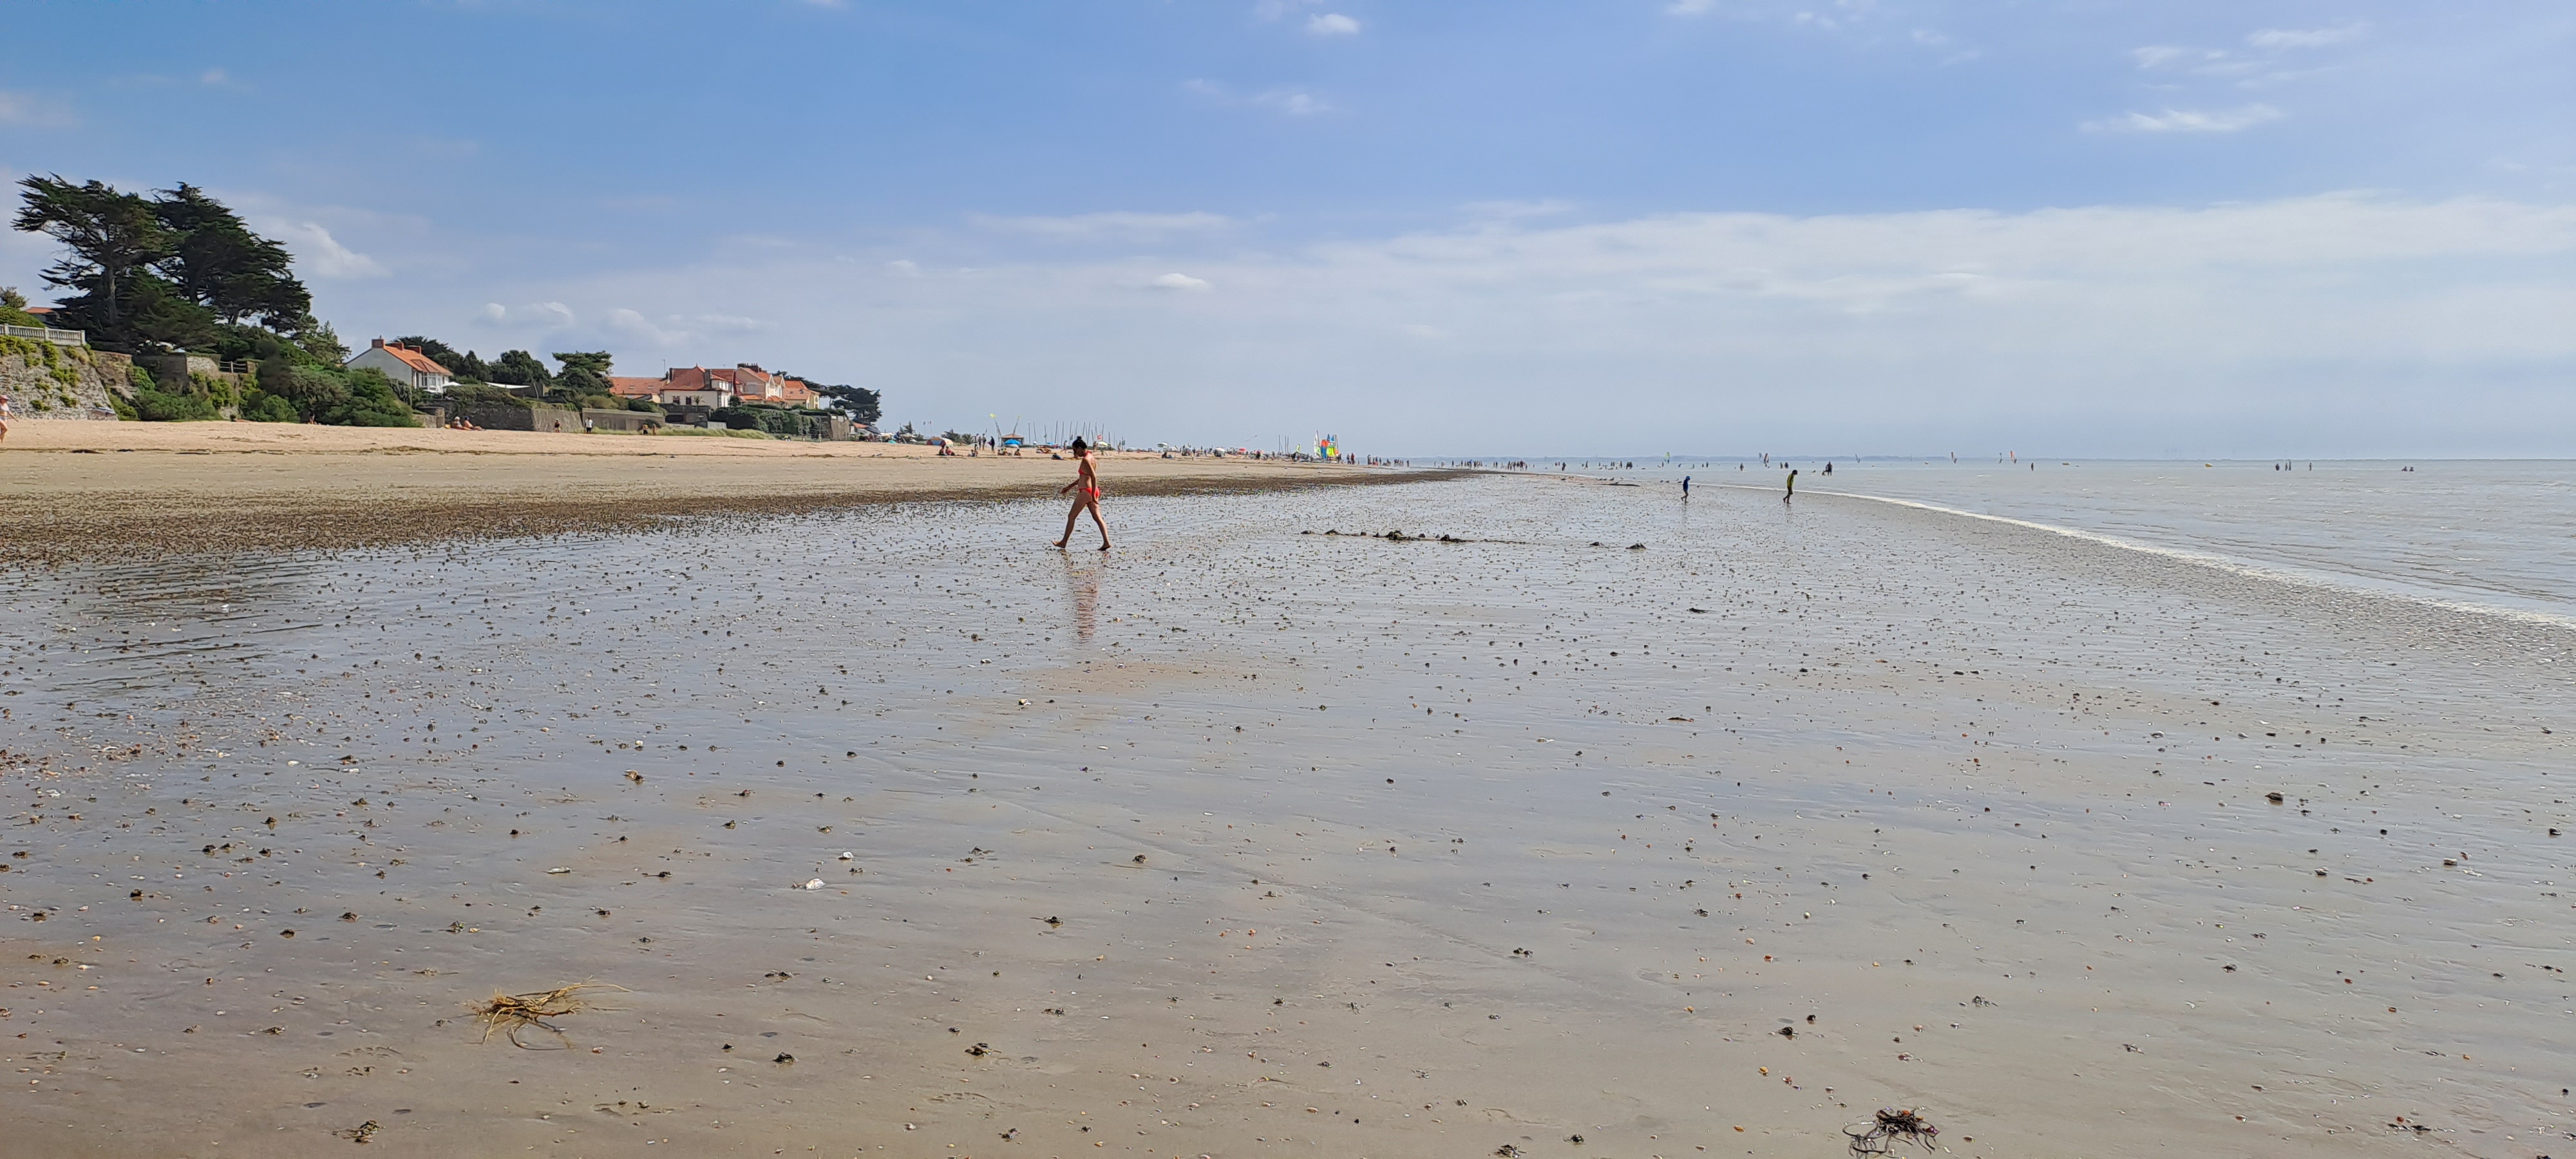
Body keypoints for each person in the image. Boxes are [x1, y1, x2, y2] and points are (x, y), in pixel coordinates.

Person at [1054, 436, 1110, 551]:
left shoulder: (1086, 460)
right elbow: (1084, 477)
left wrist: (1093, 495)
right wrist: (1069, 487)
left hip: (1086, 492)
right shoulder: (1091, 457)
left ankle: (1064, 542)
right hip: (1092, 490)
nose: (1075, 453)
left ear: (1080, 448)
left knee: (1071, 516)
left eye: (1075, 450)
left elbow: (1094, 477)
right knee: (1097, 518)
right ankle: (1106, 542)